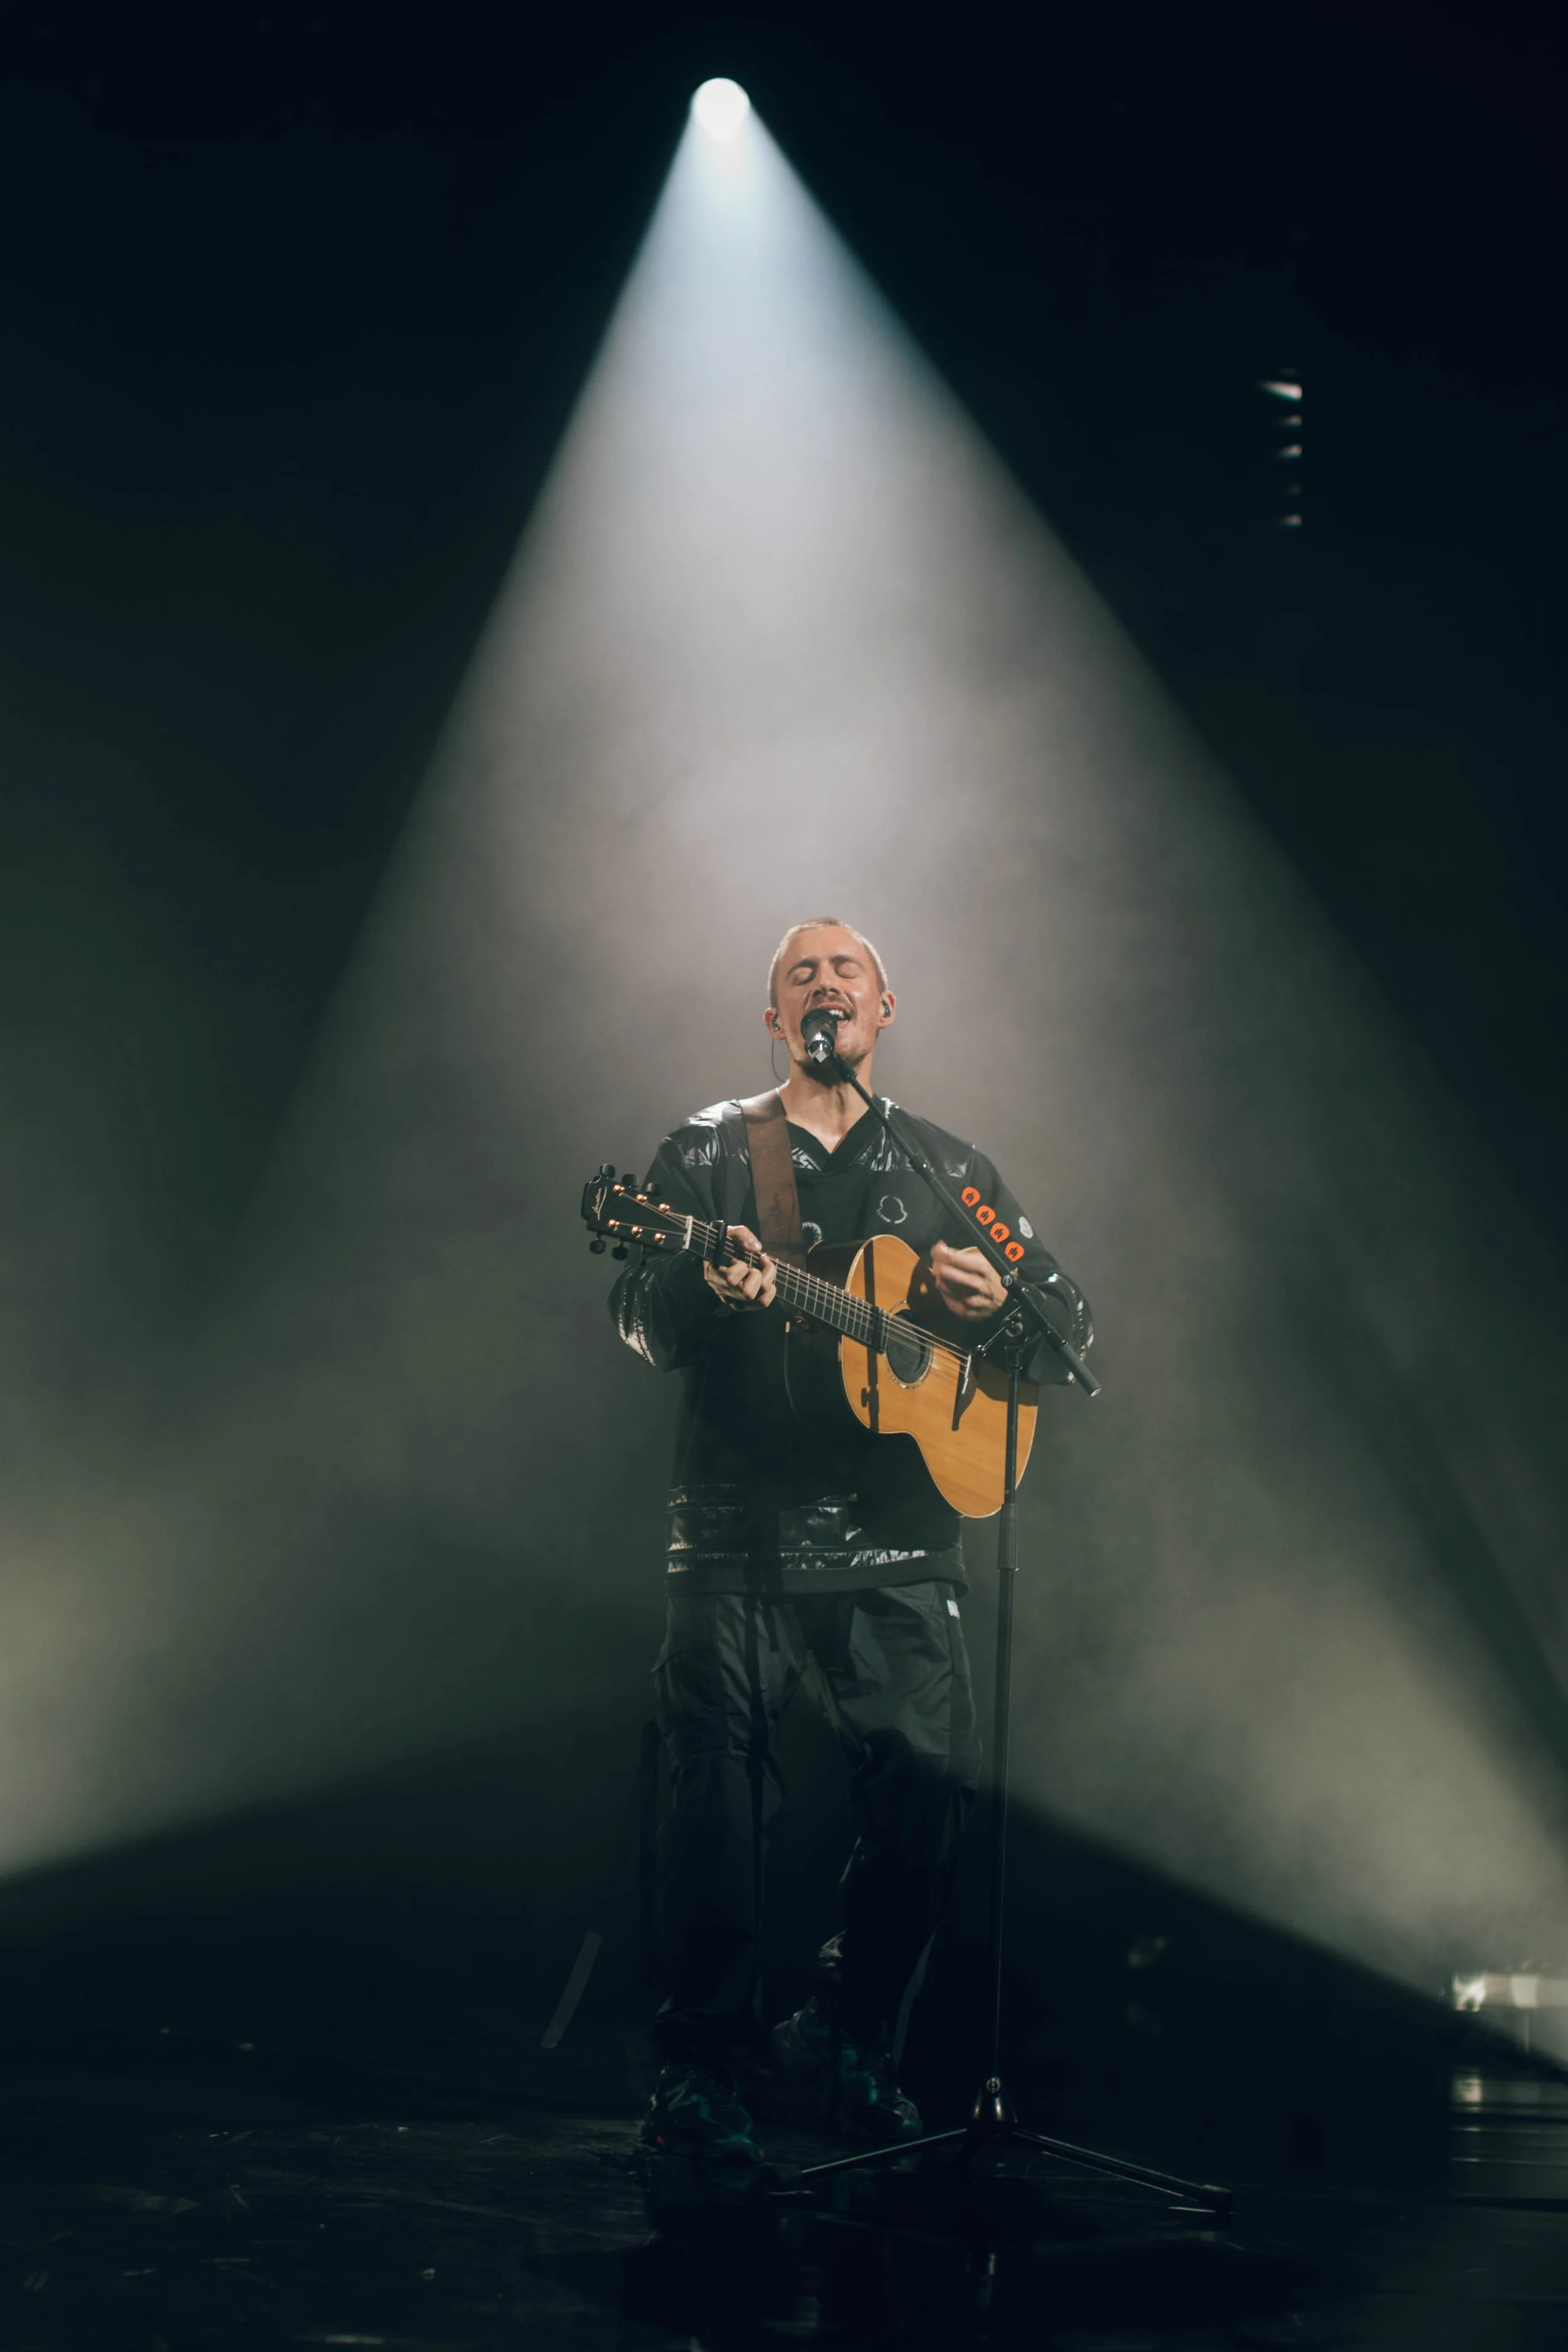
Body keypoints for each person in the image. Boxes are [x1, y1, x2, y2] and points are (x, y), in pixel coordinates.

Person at [610, 917, 1091, 2166]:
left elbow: (1066, 1330)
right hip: (735, 1536)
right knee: (713, 1806)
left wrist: (991, 1316)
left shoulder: (948, 1168)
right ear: (773, 1019)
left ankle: (852, 2024)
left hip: (900, 1537)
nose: (824, 986)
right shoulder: (709, 1151)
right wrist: (697, 1284)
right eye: (797, 976)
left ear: (886, 1008)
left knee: (932, 1799)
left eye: (846, 972)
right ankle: (699, 2068)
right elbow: (638, 1319)